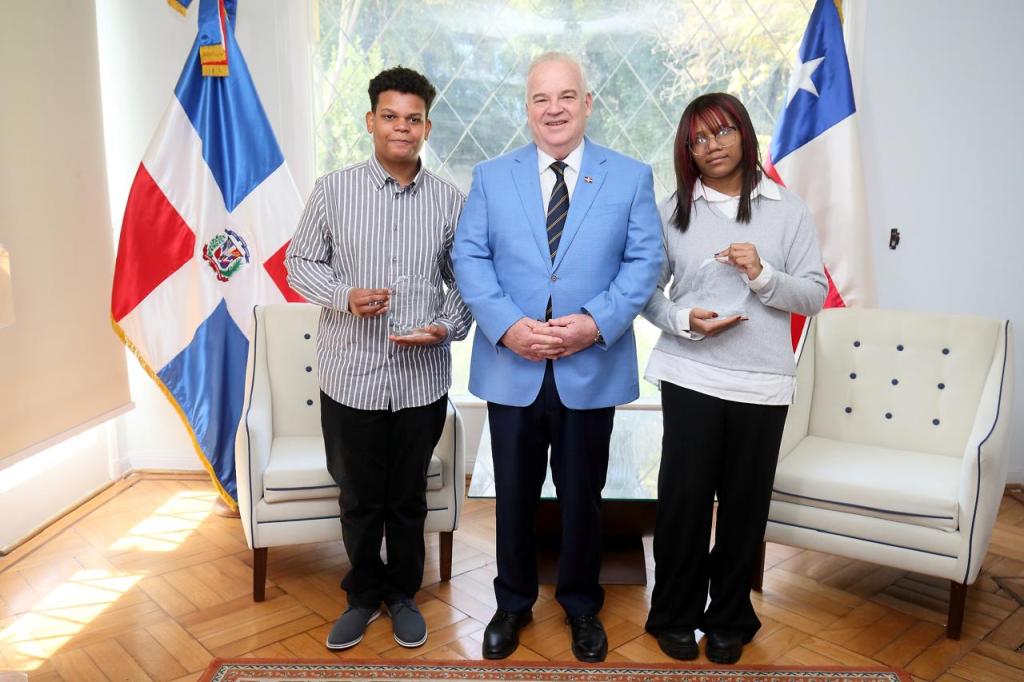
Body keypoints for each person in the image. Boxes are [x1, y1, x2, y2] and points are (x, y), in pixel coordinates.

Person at [453, 52, 662, 663]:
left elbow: (644, 262)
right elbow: (470, 258)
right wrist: (507, 326)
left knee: (582, 498)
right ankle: (512, 603)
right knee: (513, 496)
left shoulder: (628, 176)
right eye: (541, 99)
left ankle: (580, 606)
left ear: (588, 103)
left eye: (567, 96)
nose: (554, 109)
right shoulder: (492, 176)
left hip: (589, 366)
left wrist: (595, 324)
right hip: (511, 365)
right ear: (527, 108)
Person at [285, 66, 471, 652]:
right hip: (350, 378)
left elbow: (469, 282)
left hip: (420, 383)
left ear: (426, 127)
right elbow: (299, 264)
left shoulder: (449, 200)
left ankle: (403, 595)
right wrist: (344, 297)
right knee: (359, 497)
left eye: (412, 119)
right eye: (389, 116)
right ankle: (363, 595)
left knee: (408, 497)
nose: (401, 127)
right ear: (371, 121)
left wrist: (445, 326)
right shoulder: (332, 190)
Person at [641, 92, 827, 664]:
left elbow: (815, 294)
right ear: (687, 150)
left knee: (745, 505)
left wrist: (764, 276)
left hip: (762, 382)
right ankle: (672, 613)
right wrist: (682, 319)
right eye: (698, 138)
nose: (711, 146)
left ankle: (727, 616)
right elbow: (645, 294)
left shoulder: (788, 210)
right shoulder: (674, 211)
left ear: (745, 135)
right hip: (690, 371)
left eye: (721, 132)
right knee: (683, 500)